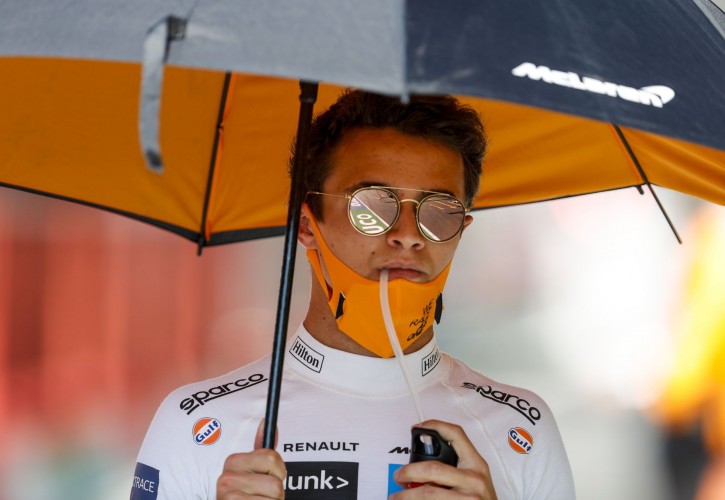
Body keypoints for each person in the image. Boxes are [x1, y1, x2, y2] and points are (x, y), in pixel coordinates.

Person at [131, 90, 575, 499]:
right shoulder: (196, 423)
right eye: (372, 205)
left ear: (462, 231)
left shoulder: (522, 428)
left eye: (439, 211)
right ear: (307, 226)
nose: (407, 234)